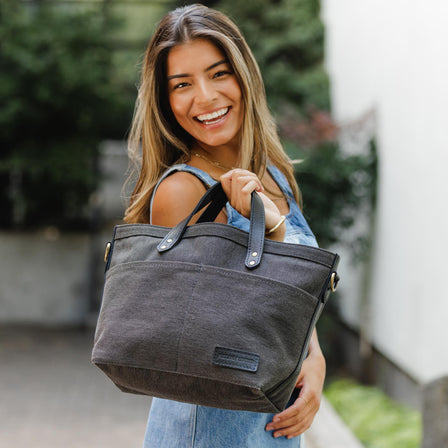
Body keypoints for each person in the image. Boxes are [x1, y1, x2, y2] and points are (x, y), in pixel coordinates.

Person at [124, 4, 326, 447]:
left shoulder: (272, 172)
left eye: (218, 74)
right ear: (165, 100)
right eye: (182, 84)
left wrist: (314, 359)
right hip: (210, 427)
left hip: (268, 422)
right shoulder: (184, 190)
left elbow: (293, 299)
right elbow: (207, 334)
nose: (206, 97)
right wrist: (269, 231)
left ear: (244, 77)